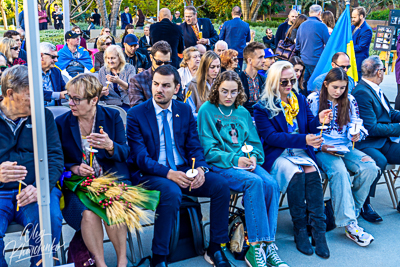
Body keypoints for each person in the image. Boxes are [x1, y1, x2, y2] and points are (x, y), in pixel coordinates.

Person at [127, 65, 231, 267]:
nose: (159, 89)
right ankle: (159, 257)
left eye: (166, 86)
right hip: (151, 172)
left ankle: (216, 247)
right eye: (156, 84)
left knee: (221, 185)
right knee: (172, 191)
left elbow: (194, 145)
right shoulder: (136, 114)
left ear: (176, 89)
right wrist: (168, 173)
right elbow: (140, 157)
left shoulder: (184, 111)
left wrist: (201, 168)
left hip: (183, 168)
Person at [197, 71, 288, 267]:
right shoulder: (207, 110)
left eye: (233, 92)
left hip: (245, 162)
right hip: (221, 163)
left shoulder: (243, 112)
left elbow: (254, 142)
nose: (229, 96)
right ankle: (255, 247)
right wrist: (235, 160)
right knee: (253, 182)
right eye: (224, 91)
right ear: (216, 90)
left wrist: (254, 157)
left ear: (239, 92)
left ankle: (268, 245)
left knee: (271, 183)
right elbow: (208, 149)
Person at [253, 61, 332, 259]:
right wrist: (303, 139)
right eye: (284, 82)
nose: (289, 85)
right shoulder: (262, 107)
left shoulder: (299, 99)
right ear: (273, 82)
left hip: (299, 151)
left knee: (312, 174)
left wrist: (319, 120)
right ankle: (300, 230)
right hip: (278, 154)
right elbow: (271, 138)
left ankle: (318, 231)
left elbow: (309, 126)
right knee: (296, 174)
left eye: (292, 80)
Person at [56, 74, 131, 267]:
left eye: (76, 99)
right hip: (78, 186)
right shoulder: (62, 123)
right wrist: (74, 167)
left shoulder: (112, 116)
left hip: (110, 180)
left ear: (94, 100)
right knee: (89, 214)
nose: (70, 103)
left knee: (113, 207)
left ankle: (122, 262)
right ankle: (100, 263)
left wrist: (110, 145)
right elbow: (56, 160)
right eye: (69, 98)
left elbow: (124, 153)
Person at [0, 65, 63, 267]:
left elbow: (55, 157)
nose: (38, 100)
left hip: (36, 188)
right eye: (30, 95)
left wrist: (40, 187)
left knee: (49, 219)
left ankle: (42, 264)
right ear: (10, 93)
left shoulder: (43, 116)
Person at [308, 67, 377, 247]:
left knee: (370, 168)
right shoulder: (314, 100)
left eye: (342, 88)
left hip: (345, 147)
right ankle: (350, 223)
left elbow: (358, 124)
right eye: (335, 87)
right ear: (326, 85)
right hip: (322, 148)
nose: (339, 92)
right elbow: (306, 128)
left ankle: (349, 213)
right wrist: (322, 146)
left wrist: (357, 134)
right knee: (339, 172)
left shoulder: (350, 100)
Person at [352, 55, 400, 221]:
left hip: (383, 141)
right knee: (379, 161)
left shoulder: (373, 88)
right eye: (384, 70)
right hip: (366, 142)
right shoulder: (362, 92)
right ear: (379, 72)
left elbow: (389, 113)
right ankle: (364, 203)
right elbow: (371, 128)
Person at [129, 41, 176, 107]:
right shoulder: (137, 80)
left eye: (167, 63)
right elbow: (137, 110)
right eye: (159, 62)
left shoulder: (174, 77)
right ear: (151, 58)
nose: (163, 66)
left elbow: (179, 103)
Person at [295, 5, 329, 92]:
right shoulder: (322, 26)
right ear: (320, 13)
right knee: (316, 88)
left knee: (302, 87)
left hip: (303, 61)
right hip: (317, 63)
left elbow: (297, 46)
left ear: (309, 13)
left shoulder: (301, 26)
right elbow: (328, 44)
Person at [99, 45, 136, 111]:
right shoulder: (103, 71)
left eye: (113, 58)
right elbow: (97, 94)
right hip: (109, 105)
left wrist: (119, 81)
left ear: (120, 58)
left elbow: (133, 89)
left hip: (127, 104)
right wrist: (101, 92)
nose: (110, 61)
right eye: (108, 58)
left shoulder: (130, 68)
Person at [186, 51, 220, 119]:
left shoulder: (221, 83)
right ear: (204, 67)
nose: (216, 70)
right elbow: (190, 114)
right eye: (212, 67)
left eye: (218, 66)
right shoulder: (192, 85)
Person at [239, 42, 266, 116]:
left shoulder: (264, 80)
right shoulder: (238, 80)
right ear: (249, 60)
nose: (264, 60)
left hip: (261, 118)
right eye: (260, 57)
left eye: (264, 57)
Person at [40, 42, 67, 106]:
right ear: (41, 56)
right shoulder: (28, 71)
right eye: (53, 57)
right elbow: (30, 93)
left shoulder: (56, 71)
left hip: (55, 110)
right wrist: (58, 95)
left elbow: (64, 88)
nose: (56, 60)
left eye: (57, 57)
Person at [351, 6, 373, 79]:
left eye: (354, 17)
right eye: (352, 17)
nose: (353, 19)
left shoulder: (367, 30)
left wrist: (348, 48)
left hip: (359, 62)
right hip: (350, 60)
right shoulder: (353, 26)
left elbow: (361, 47)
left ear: (361, 16)